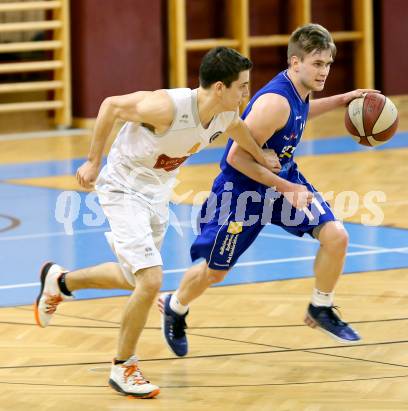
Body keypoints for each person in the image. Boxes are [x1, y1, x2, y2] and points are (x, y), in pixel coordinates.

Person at [34, 47, 280, 399]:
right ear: (220, 88)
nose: (247, 93)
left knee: (132, 275)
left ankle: (60, 281)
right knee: (150, 280)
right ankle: (123, 366)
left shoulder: (226, 113)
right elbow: (111, 106)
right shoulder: (167, 107)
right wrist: (92, 161)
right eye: (242, 86)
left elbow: (238, 129)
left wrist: (261, 155)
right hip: (123, 185)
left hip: (158, 191)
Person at [160, 23, 380, 357]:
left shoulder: (299, 93)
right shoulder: (274, 102)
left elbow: (302, 111)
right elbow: (235, 158)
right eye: (317, 64)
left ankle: (320, 307)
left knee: (336, 236)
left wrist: (342, 100)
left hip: (280, 182)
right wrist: (286, 187)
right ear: (295, 63)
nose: (325, 71)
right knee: (213, 272)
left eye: (328, 64)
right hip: (241, 193)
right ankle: (175, 306)